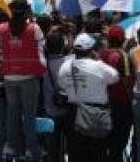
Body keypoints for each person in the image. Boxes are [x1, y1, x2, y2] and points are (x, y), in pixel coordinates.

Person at [0, 0, 46, 162]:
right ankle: (31, 150)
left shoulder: (2, 29)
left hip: (9, 78)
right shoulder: (34, 28)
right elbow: (41, 54)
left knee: (13, 114)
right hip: (29, 78)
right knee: (29, 115)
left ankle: (12, 148)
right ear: (26, 12)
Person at [58, 33, 119, 162]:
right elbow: (115, 77)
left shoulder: (64, 66)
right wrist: (98, 60)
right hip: (95, 114)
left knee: (75, 153)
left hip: (72, 113)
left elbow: (61, 84)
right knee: (97, 153)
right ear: (92, 50)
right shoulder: (98, 66)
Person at [100, 25, 135, 162]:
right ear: (122, 39)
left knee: (109, 137)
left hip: (105, 102)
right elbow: (126, 81)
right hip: (121, 103)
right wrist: (131, 99)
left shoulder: (102, 54)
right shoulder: (123, 56)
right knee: (121, 138)